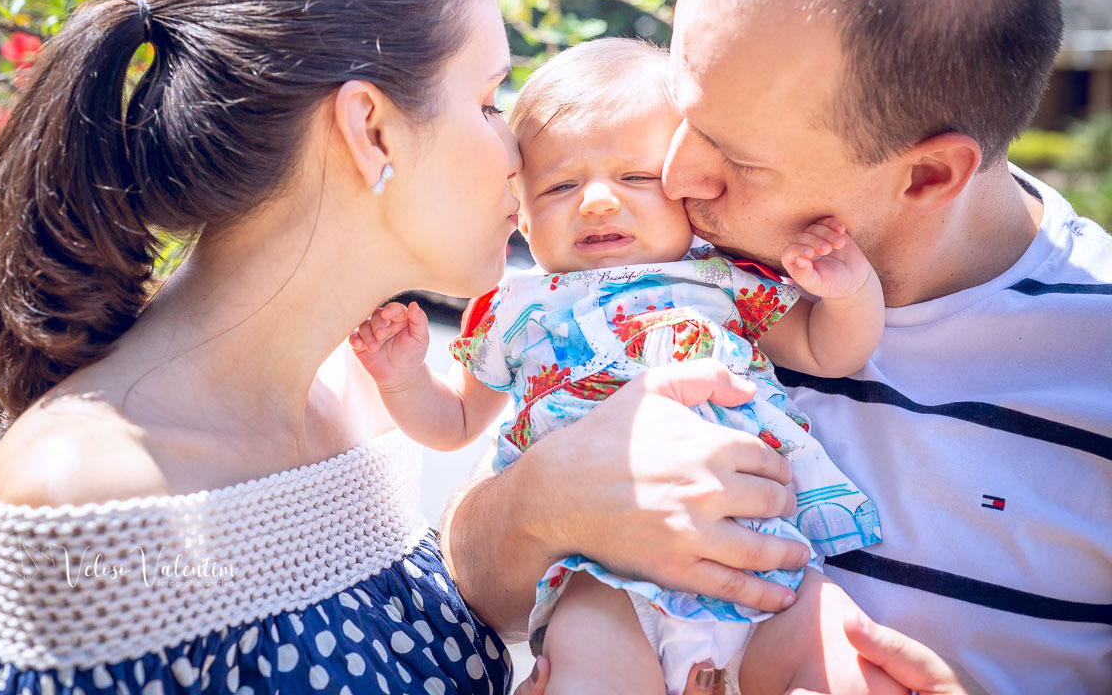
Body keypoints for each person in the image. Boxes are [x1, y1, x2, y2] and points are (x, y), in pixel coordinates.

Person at [441, 0, 1112, 693]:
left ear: (927, 175)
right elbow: (478, 575)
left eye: (737, 156)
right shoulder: (654, 279)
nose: (676, 176)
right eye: (682, 113)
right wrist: (542, 501)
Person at [0, 0, 545, 693]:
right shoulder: (87, 491)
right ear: (371, 131)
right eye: (487, 101)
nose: (517, 151)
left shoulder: (358, 397)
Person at [351, 38, 886, 694]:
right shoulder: (515, 308)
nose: (598, 201)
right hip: (600, 572)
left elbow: (830, 348)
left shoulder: (720, 277)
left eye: (636, 177)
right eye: (561, 184)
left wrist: (849, 290)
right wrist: (404, 375)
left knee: (847, 654)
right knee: (588, 668)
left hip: (758, 549)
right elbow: (456, 421)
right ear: (519, 209)